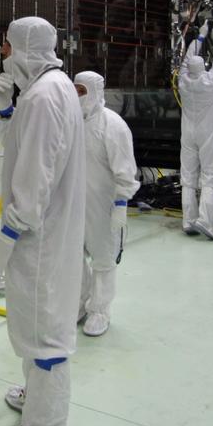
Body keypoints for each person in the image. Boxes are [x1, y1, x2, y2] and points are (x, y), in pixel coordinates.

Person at [0, 16, 85, 426]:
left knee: (44, 333)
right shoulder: (47, 89)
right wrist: (6, 110)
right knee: (35, 322)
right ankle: (36, 397)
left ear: (23, 46)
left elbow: (34, 178)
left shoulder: (44, 97)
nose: (2, 53)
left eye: (6, 46)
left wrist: (6, 237)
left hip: (38, 236)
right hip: (44, 231)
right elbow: (23, 148)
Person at [73, 71, 139, 337]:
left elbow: (125, 170)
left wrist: (121, 204)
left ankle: (100, 311)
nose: (77, 96)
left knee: (102, 258)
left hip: (103, 206)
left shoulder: (113, 125)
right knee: (73, 256)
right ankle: (80, 303)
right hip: (73, 204)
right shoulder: (71, 121)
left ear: (96, 92)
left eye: (82, 91)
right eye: (75, 90)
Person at [178, 21, 213, 240]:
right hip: (207, 133)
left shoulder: (182, 81)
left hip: (188, 133)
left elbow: (187, 59)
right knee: (209, 175)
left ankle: (188, 220)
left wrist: (199, 37)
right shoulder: (210, 80)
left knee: (188, 176)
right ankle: (206, 221)